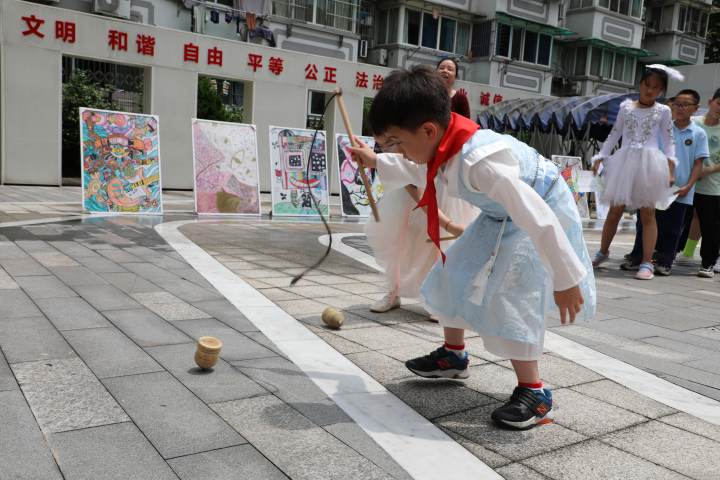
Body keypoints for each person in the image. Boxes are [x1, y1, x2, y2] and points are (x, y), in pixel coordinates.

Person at [349, 66, 595, 430]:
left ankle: (536, 392)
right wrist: (378, 159)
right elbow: (423, 168)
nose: (397, 151)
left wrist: (565, 277)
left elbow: (537, 217)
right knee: (451, 272)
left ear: (429, 131)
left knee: (512, 296)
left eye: (396, 143)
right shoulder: (444, 145)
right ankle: (454, 356)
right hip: (502, 215)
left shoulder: (480, 161)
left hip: (538, 210)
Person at [367, 57, 478, 315]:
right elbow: (405, 160)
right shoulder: (412, 103)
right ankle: (393, 291)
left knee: (438, 242)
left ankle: (435, 299)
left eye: (451, 68)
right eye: (442, 67)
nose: (446, 71)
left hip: (442, 181)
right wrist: (380, 158)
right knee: (401, 238)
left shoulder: (458, 103)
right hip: (413, 176)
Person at [591, 65, 681, 280]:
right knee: (615, 210)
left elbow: (669, 142)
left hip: (650, 163)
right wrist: (600, 156)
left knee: (648, 213)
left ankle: (647, 262)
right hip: (624, 160)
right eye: (646, 85)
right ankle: (602, 252)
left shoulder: (664, 111)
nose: (649, 90)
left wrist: (671, 169)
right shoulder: (626, 107)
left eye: (655, 87)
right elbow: (615, 133)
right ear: (640, 84)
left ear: (661, 91)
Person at [620, 89, 708, 275]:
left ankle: (664, 261)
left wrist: (689, 186)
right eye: (677, 104)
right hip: (654, 186)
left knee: (672, 228)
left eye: (685, 105)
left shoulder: (698, 133)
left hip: (681, 190)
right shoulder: (662, 129)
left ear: (695, 108)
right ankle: (638, 257)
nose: (680, 108)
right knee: (645, 223)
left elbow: (699, 163)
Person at [691, 87, 720, 278]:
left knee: (710, 226)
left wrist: (707, 170)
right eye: (719, 104)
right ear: (710, 102)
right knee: (676, 221)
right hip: (686, 183)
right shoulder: (693, 123)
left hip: (711, 186)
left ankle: (708, 263)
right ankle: (662, 257)